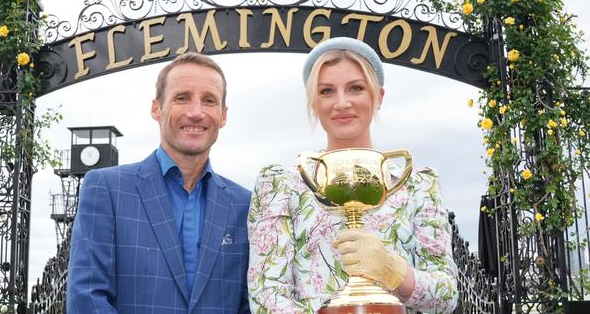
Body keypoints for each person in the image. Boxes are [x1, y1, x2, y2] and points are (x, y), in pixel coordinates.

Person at [247, 37, 458, 313]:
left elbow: (446, 298)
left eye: (356, 88)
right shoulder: (280, 186)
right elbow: (267, 294)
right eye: (326, 91)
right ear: (313, 102)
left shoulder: (418, 185)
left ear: (378, 96)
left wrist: (392, 269)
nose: (342, 103)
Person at [67, 52, 251, 313]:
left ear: (223, 115)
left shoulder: (245, 205)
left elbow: (250, 304)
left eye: (208, 101)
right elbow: (87, 298)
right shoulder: (107, 190)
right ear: (157, 108)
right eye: (182, 97)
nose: (196, 112)